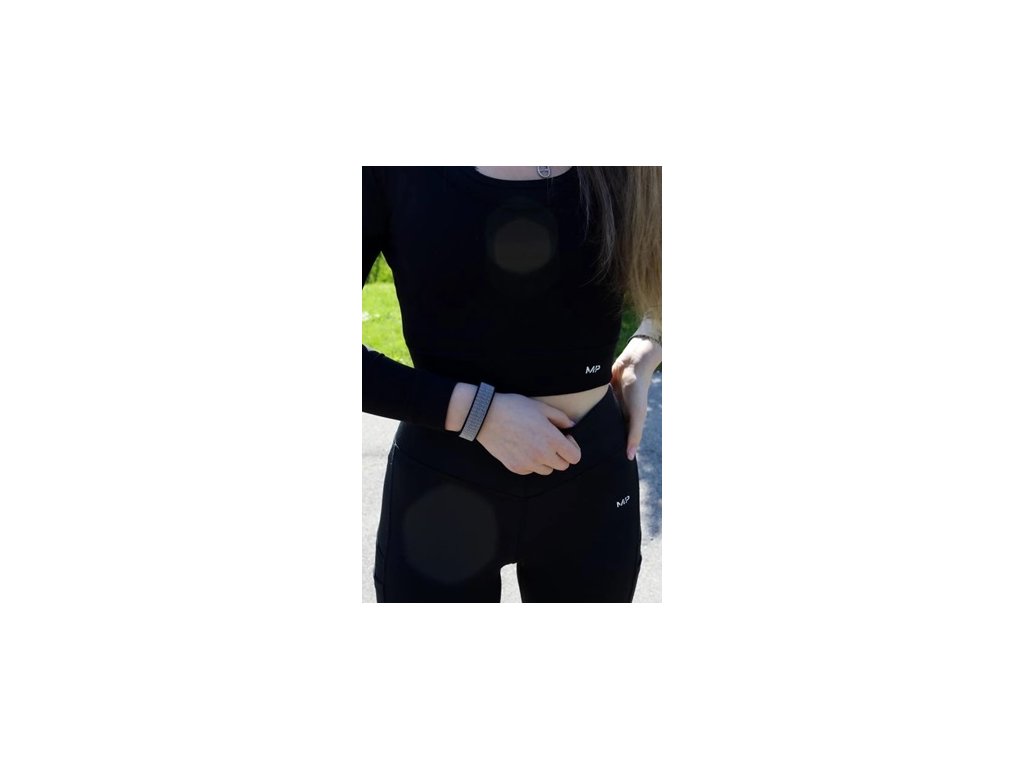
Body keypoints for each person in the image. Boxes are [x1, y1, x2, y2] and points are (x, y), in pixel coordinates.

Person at [363, 166, 662, 602]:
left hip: (593, 483)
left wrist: (648, 345)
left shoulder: (630, 164)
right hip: (440, 484)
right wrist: (477, 413)